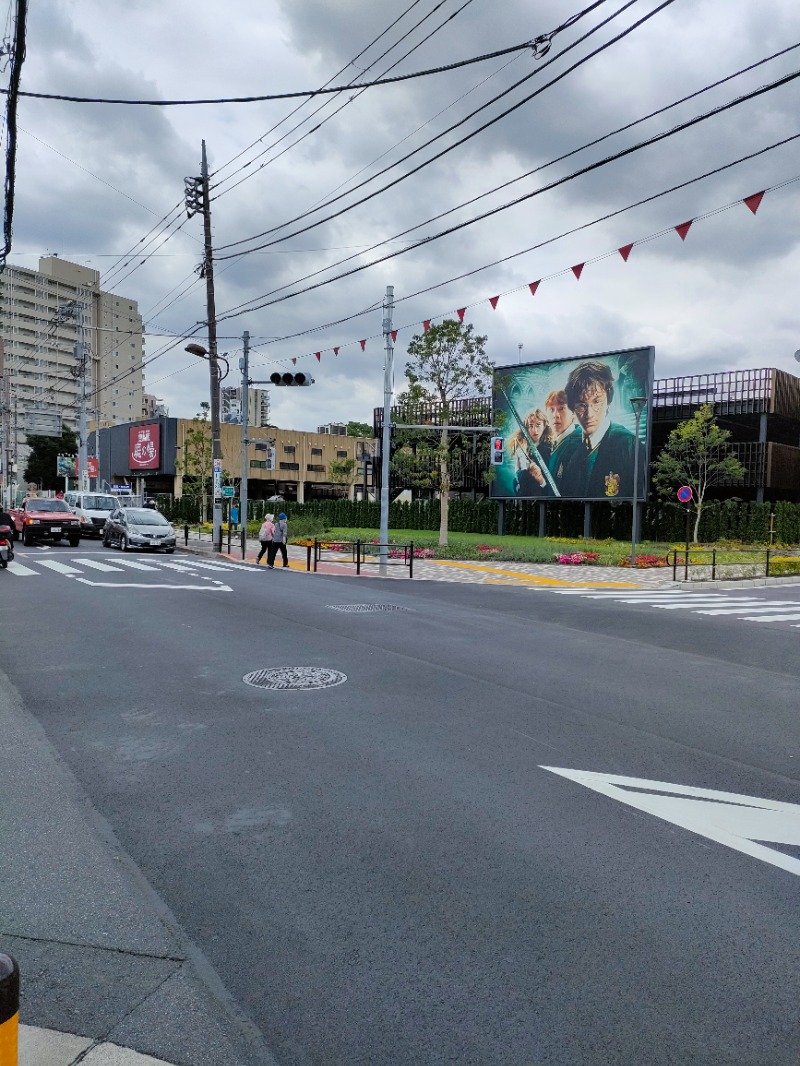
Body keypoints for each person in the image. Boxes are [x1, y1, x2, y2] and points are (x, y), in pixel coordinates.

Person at [562, 360, 644, 499]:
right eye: (581, 405)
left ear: (608, 401)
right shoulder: (569, 449)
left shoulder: (629, 445)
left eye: (597, 402)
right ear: (572, 408)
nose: (589, 414)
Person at [510, 409, 553, 497]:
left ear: (544, 426)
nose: (534, 430)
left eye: (538, 425)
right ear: (526, 427)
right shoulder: (521, 446)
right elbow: (517, 481)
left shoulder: (548, 449)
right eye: (531, 426)